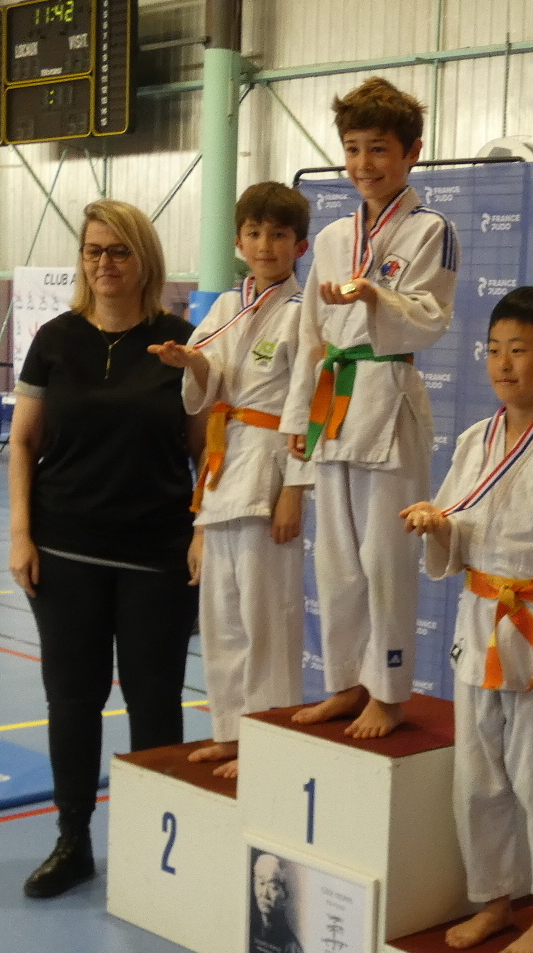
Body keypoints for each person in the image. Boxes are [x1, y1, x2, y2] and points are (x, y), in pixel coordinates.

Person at [401, 288, 533, 953]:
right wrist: (437, 525)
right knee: (478, 780)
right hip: (481, 622)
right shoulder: (474, 441)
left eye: (519, 350)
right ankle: (493, 899)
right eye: (493, 349)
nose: (502, 363)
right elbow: (457, 528)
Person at [9, 200, 200, 899]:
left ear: (144, 259)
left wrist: (203, 531)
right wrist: (21, 533)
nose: (104, 263)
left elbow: (207, 452)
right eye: (93, 250)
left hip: (157, 555)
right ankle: (73, 842)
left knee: (154, 702)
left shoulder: (181, 342)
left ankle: (156, 848)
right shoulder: (55, 340)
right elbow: (23, 443)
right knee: (72, 700)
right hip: (65, 551)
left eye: (119, 251)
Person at [280, 75, 458, 740]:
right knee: (336, 562)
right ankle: (346, 683)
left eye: (379, 149)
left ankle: (388, 690)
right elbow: (311, 336)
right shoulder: (332, 237)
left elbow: (431, 318)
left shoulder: (430, 231)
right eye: (353, 149)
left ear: (412, 152)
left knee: (385, 561)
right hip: (333, 404)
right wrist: (298, 419)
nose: (364, 164)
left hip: (389, 401)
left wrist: (374, 297)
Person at [149, 182, 314, 780]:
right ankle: (230, 730)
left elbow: (308, 406)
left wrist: (294, 489)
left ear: (299, 245)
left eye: (279, 235)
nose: (265, 245)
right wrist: (190, 362)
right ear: (239, 241)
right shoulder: (223, 306)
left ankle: (267, 741)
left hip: (270, 471)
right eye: (254, 233)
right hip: (223, 471)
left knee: (267, 620)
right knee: (222, 621)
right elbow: (206, 384)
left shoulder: (304, 312)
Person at [249, 852, 305, 953]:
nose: (264, 894)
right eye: (261, 883)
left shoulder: (293, 951)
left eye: (273, 887)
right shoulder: (250, 933)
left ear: (284, 894)